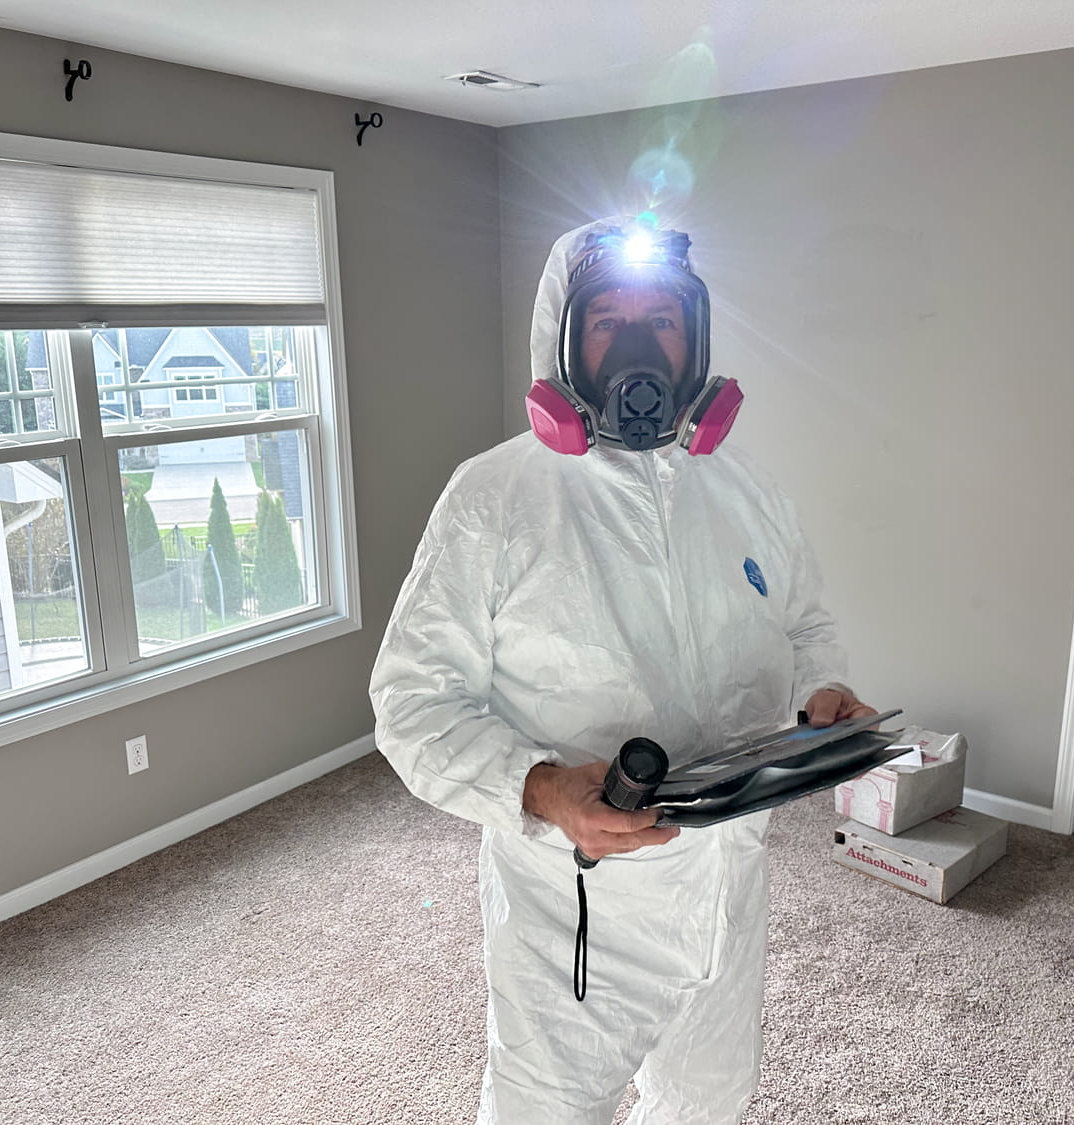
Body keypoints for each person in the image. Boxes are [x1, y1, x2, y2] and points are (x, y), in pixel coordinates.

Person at [369, 217, 875, 1124]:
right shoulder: (493, 499)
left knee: (710, 1099)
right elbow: (412, 705)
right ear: (565, 341)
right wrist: (543, 787)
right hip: (580, 912)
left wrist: (819, 692)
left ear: (696, 339)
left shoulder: (747, 489)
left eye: (662, 319)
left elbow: (805, 624)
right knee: (548, 1110)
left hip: (728, 881)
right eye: (607, 319)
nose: (639, 344)